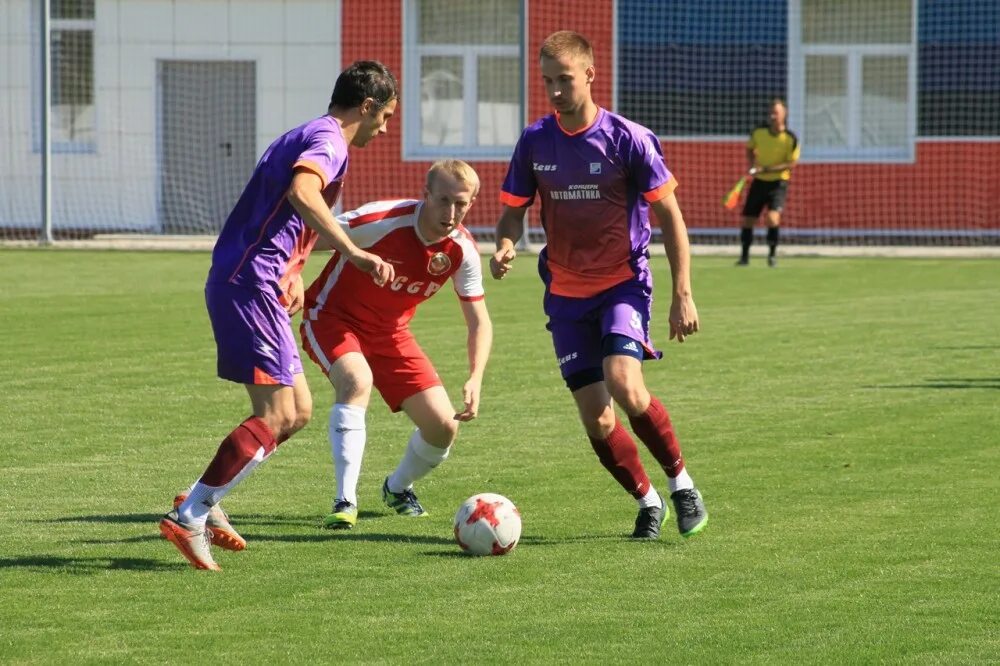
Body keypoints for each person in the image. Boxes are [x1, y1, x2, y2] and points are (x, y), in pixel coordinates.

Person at [160, 61, 399, 570]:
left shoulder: (310, 132)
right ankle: (191, 514)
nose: (386, 128)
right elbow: (301, 193)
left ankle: (201, 498)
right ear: (368, 106)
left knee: (298, 412)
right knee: (276, 414)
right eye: (386, 116)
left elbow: (280, 211)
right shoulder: (330, 141)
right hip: (248, 283)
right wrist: (352, 252)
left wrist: (293, 270)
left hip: (258, 280)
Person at [490, 31, 708, 540]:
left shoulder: (628, 138)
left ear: (590, 74)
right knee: (599, 421)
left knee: (626, 383)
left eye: (564, 79)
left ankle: (682, 485)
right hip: (565, 294)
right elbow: (510, 217)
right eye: (548, 81)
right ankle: (648, 501)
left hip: (622, 285)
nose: (556, 91)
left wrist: (682, 293)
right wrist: (504, 245)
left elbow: (671, 216)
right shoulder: (535, 141)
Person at [299, 160, 492, 529]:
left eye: (462, 204)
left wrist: (475, 376)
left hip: (391, 333)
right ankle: (345, 500)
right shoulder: (382, 220)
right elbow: (308, 237)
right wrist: (290, 277)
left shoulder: (462, 250)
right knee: (356, 381)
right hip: (333, 319)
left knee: (443, 427)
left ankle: (397, 488)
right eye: (444, 200)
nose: (451, 213)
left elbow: (478, 320)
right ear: (426, 195)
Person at [737, 98, 800, 267]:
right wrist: (752, 164)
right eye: (771, 112)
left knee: (772, 219)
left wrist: (765, 169)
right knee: (748, 220)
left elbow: (791, 164)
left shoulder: (790, 138)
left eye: (776, 113)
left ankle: (772, 256)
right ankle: (744, 257)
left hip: (778, 183)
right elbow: (749, 148)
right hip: (759, 182)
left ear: (784, 115)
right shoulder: (759, 132)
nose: (773, 116)